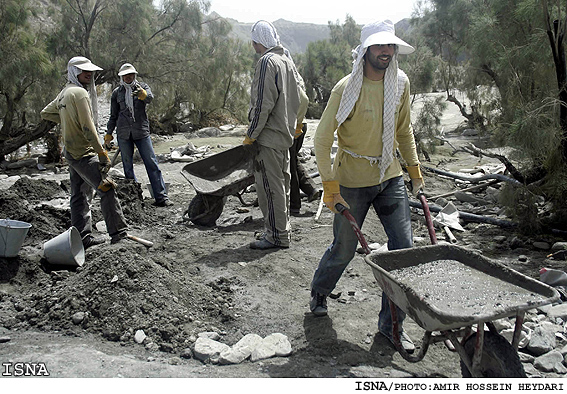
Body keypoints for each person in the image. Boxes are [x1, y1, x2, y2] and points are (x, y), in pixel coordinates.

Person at [308, 20, 425, 354]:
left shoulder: (400, 83)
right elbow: (321, 137)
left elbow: (404, 130)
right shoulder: (346, 88)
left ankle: (391, 327)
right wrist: (331, 186)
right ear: (365, 50)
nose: (386, 52)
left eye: (390, 46)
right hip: (352, 180)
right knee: (344, 249)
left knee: (403, 250)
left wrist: (414, 169)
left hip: (388, 175)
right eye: (379, 46)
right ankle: (320, 289)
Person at [41, 56, 129, 248]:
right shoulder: (79, 93)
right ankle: (119, 234)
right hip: (83, 152)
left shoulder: (64, 93)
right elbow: (88, 128)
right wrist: (102, 153)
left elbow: (46, 113)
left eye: (90, 71)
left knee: (79, 195)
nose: (88, 74)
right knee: (107, 187)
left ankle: (82, 238)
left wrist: (67, 119)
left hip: (70, 153)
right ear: (74, 72)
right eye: (83, 71)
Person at [244, 20, 301, 249]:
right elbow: (299, 98)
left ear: (258, 40)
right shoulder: (286, 61)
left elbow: (262, 105)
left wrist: (251, 135)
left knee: (269, 187)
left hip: (268, 137)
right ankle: (282, 230)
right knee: (282, 185)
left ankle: (276, 235)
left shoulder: (266, 62)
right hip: (284, 135)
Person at [105, 63, 172, 207]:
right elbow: (113, 115)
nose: (128, 77)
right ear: (121, 77)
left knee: (151, 163)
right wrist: (108, 134)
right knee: (128, 167)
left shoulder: (142, 87)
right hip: (123, 133)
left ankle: (161, 197)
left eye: (131, 75)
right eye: (125, 75)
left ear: (134, 75)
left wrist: (143, 95)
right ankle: (135, 198)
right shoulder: (117, 93)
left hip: (141, 131)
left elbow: (150, 98)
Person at [289, 85, 321, 216]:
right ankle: (311, 189)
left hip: (293, 127)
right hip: (301, 124)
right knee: (293, 161)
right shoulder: (294, 84)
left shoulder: (284, 85)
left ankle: (294, 205)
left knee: (288, 166)